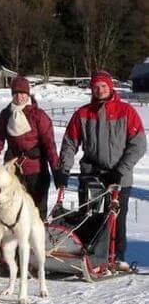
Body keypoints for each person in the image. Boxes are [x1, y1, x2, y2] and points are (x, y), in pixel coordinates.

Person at [58, 70, 146, 272]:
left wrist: (121, 169)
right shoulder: (82, 113)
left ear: (110, 87)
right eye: (96, 87)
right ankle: (87, 256)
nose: (99, 90)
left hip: (118, 177)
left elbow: (139, 145)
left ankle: (116, 257)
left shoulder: (126, 112)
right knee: (89, 216)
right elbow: (70, 143)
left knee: (116, 218)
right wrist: (64, 168)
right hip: (91, 175)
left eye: (103, 86)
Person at [0, 76, 62, 220]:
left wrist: (57, 171)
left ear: (28, 94)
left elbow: (49, 145)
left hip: (36, 170)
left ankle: (39, 239)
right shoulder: (5, 115)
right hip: (13, 171)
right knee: (15, 211)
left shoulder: (38, 115)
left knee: (37, 211)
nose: (20, 97)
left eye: (23, 93)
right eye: (16, 93)